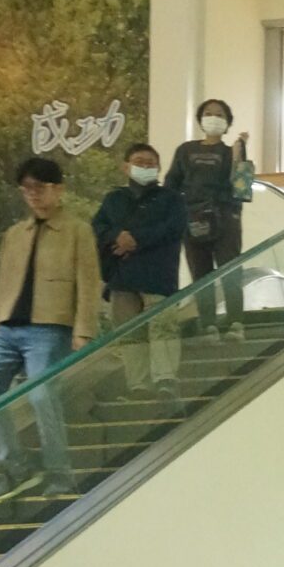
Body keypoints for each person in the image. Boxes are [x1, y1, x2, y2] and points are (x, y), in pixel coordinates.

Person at [0, 156, 98, 500]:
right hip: (7, 329)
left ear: (59, 189)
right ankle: (15, 466)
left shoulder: (77, 230)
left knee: (42, 395)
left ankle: (60, 473)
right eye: (26, 188)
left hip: (50, 327)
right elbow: (0, 288)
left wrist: (84, 329)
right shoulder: (15, 235)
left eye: (39, 187)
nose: (33, 194)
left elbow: (89, 283)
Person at [91, 141, 186, 401]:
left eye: (150, 163)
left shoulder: (171, 199)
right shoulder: (114, 199)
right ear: (126, 167)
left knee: (163, 327)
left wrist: (136, 240)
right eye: (139, 162)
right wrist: (116, 237)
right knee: (129, 333)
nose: (145, 167)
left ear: (159, 168)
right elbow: (97, 227)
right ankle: (138, 385)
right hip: (122, 278)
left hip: (159, 275)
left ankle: (165, 379)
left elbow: (174, 228)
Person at [167, 98, 250, 333]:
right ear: (200, 119)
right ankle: (208, 324)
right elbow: (171, 183)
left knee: (230, 269)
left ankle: (236, 321)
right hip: (192, 219)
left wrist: (240, 154)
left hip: (225, 219)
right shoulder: (185, 150)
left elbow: (242, 188)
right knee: (200, 273)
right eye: (208, 113)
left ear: (228, 123)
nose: (213, 118)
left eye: (220, 115)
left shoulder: (231, 151)